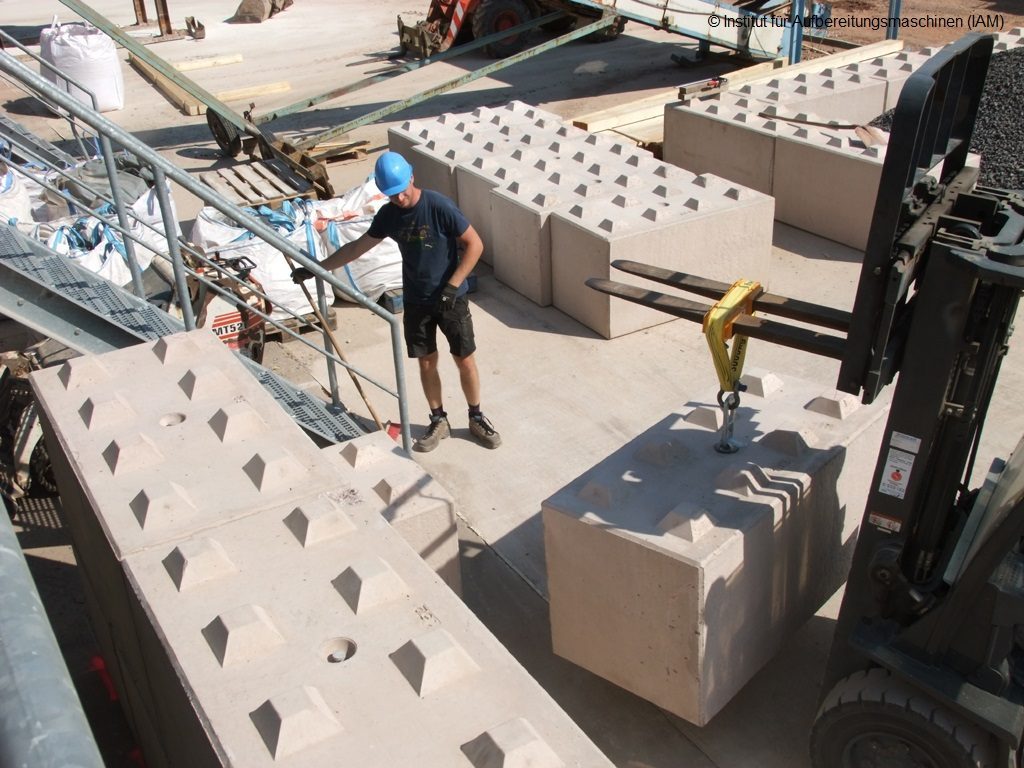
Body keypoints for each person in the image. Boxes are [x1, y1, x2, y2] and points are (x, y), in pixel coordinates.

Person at [291, 151, 501, 453]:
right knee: (427, 361)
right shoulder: (389, 215)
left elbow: (474, 244)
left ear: (412, 177)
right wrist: (316, 268)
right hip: (416, 301)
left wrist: (453, 286)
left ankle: (476, 416)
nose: (399, 198)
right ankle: (438, 419)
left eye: (401, 191)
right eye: (391, 194)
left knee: (464, 359)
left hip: (450, 298)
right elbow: (357, 247)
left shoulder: (438, 206)